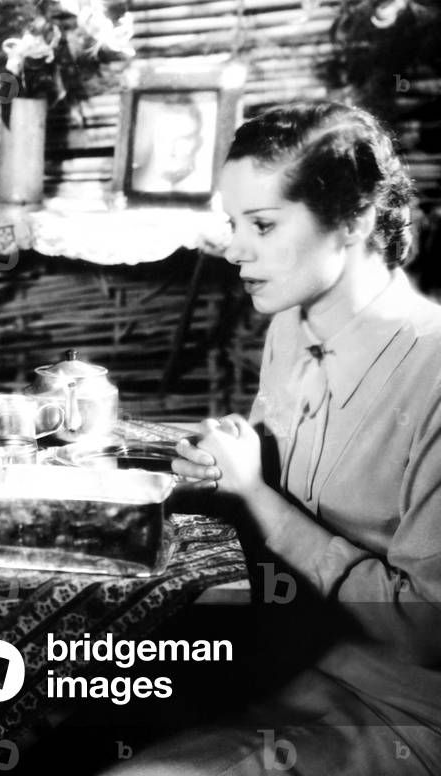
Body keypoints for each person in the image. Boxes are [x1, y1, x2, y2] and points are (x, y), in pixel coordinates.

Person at [104, 101, 441, 773]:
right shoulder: (291, 325)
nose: (234, 248)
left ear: (354, 220)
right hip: (280, 661)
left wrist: (259, 498)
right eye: (234, 224)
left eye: (261, 224)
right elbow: (277, 464)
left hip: (404, 711)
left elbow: (425, 631)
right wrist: (228, 466)